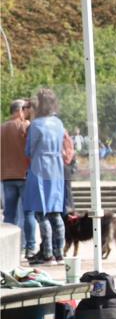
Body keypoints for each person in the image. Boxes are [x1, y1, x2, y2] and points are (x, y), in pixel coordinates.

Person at [23, 89, 66, 265]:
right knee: (55, 213)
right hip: (56, 168)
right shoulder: (58, 123)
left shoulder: (36, 124)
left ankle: (47, 253)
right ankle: (59, 253)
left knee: (42, 213)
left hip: (40, 167)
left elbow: (29, 150)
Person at [1, 99, 37, 259]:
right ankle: (30, 247)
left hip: (6, 177)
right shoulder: (26, 126)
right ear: (20, 110)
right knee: (28, 213)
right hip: (24, 175)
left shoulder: (1, 128)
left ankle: (8, 248)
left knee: (9, 214)